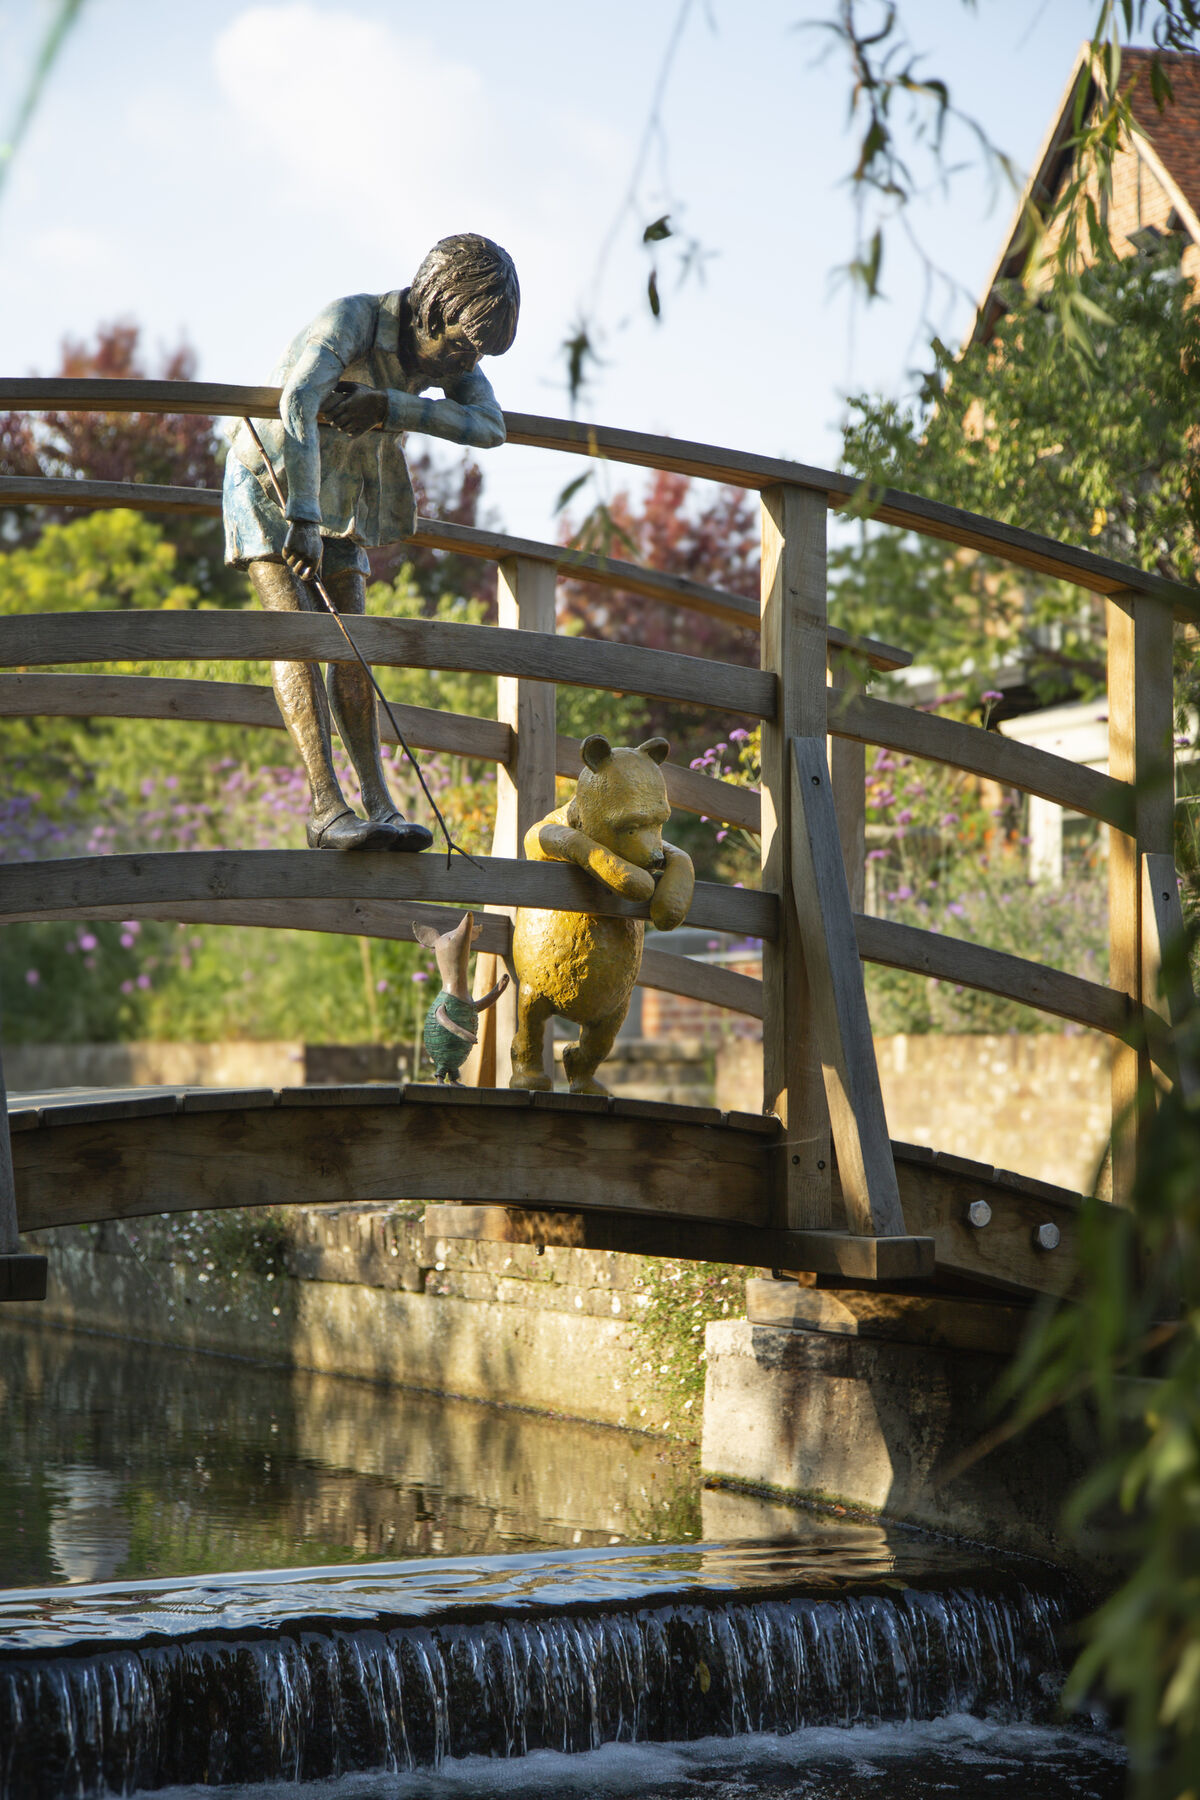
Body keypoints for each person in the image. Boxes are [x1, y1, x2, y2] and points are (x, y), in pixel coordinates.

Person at [223, 233, 520, 850]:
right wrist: (301, 516)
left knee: (353, 648)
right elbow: (298, 400)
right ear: (433, 310)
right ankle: (326, 809)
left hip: (341, 498)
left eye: (480, 353)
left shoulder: (450, 360)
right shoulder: (352, 320)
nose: (468, 364)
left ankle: (379, 804)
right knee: (300, 635)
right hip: (272, 481)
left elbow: (490, 427)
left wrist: (391, 407)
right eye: (465, 345)